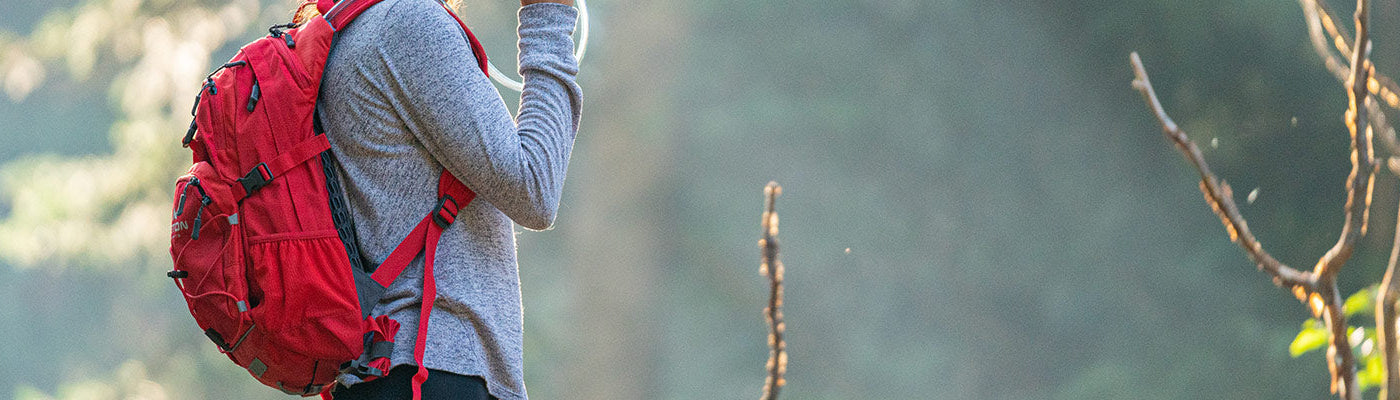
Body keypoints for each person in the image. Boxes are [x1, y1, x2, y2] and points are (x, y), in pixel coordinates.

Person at [295, 0, 582, 398]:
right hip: (434, 371)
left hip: (386, 369)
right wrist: (547, 16)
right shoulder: (408, 22)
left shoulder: (345, 27)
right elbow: (534, 188)